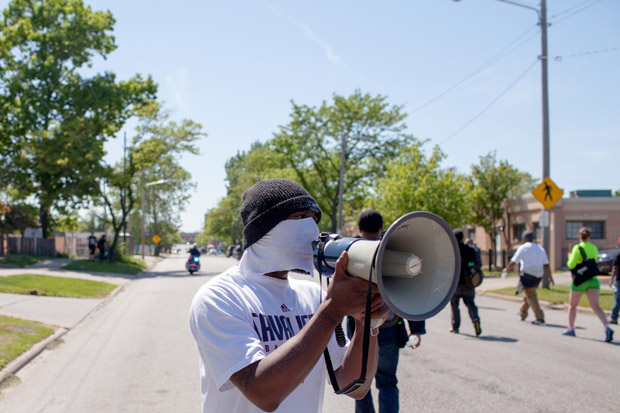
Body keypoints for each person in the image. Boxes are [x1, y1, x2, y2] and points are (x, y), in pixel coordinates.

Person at [189, 179, 389, 413]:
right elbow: (264, 393)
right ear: (263, 226)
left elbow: (353, 385)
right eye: (299, 216)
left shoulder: (315, 296)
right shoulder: (219, 297)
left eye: (314, 219)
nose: (312, 228)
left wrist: (367, 323)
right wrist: (332, 311)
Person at [346, 209, 426, 413]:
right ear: (382, 228)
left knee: (359, 383)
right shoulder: (394, 254)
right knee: (388, 381)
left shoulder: (350, 254)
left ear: (360, 229)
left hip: (360, 333)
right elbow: (408, 294)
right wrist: (416, 328)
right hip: (389, 330)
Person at [564, 227, 613, 342]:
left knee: (572, 305)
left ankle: (571, 328)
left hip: (580, 280)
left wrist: (570, 256)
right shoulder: (594, 248)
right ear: (589, 237)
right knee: (596, 306)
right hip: (592, 279)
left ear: (579, 237)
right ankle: (607, 327)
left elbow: (571, 265)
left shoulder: (577, 248)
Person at [502, 230, 554, 324]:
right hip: (538, 275)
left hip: (527, 274)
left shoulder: (523, 248)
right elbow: (546, 264)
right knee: (529, 293)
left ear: (525, 238)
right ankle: (523, 313)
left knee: (531, 295)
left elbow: (514, 261)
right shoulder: (540, 248)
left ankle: (539, 317)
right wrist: (550, 277)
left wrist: (507, 269)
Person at [449, 229, 481, 336]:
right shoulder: (470, 250)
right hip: (469, 282)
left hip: (455, 284)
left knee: (454, 305)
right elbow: (477, 263)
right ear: (462, 238)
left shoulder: (451, 250)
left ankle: (455, 326)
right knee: (470, 303)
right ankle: (475, 320)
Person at [610, 242, 620, 325]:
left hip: (619, 280)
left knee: (617, 299)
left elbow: (615, 269)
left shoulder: (618, 255)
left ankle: (614, 318)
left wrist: (611, 279)